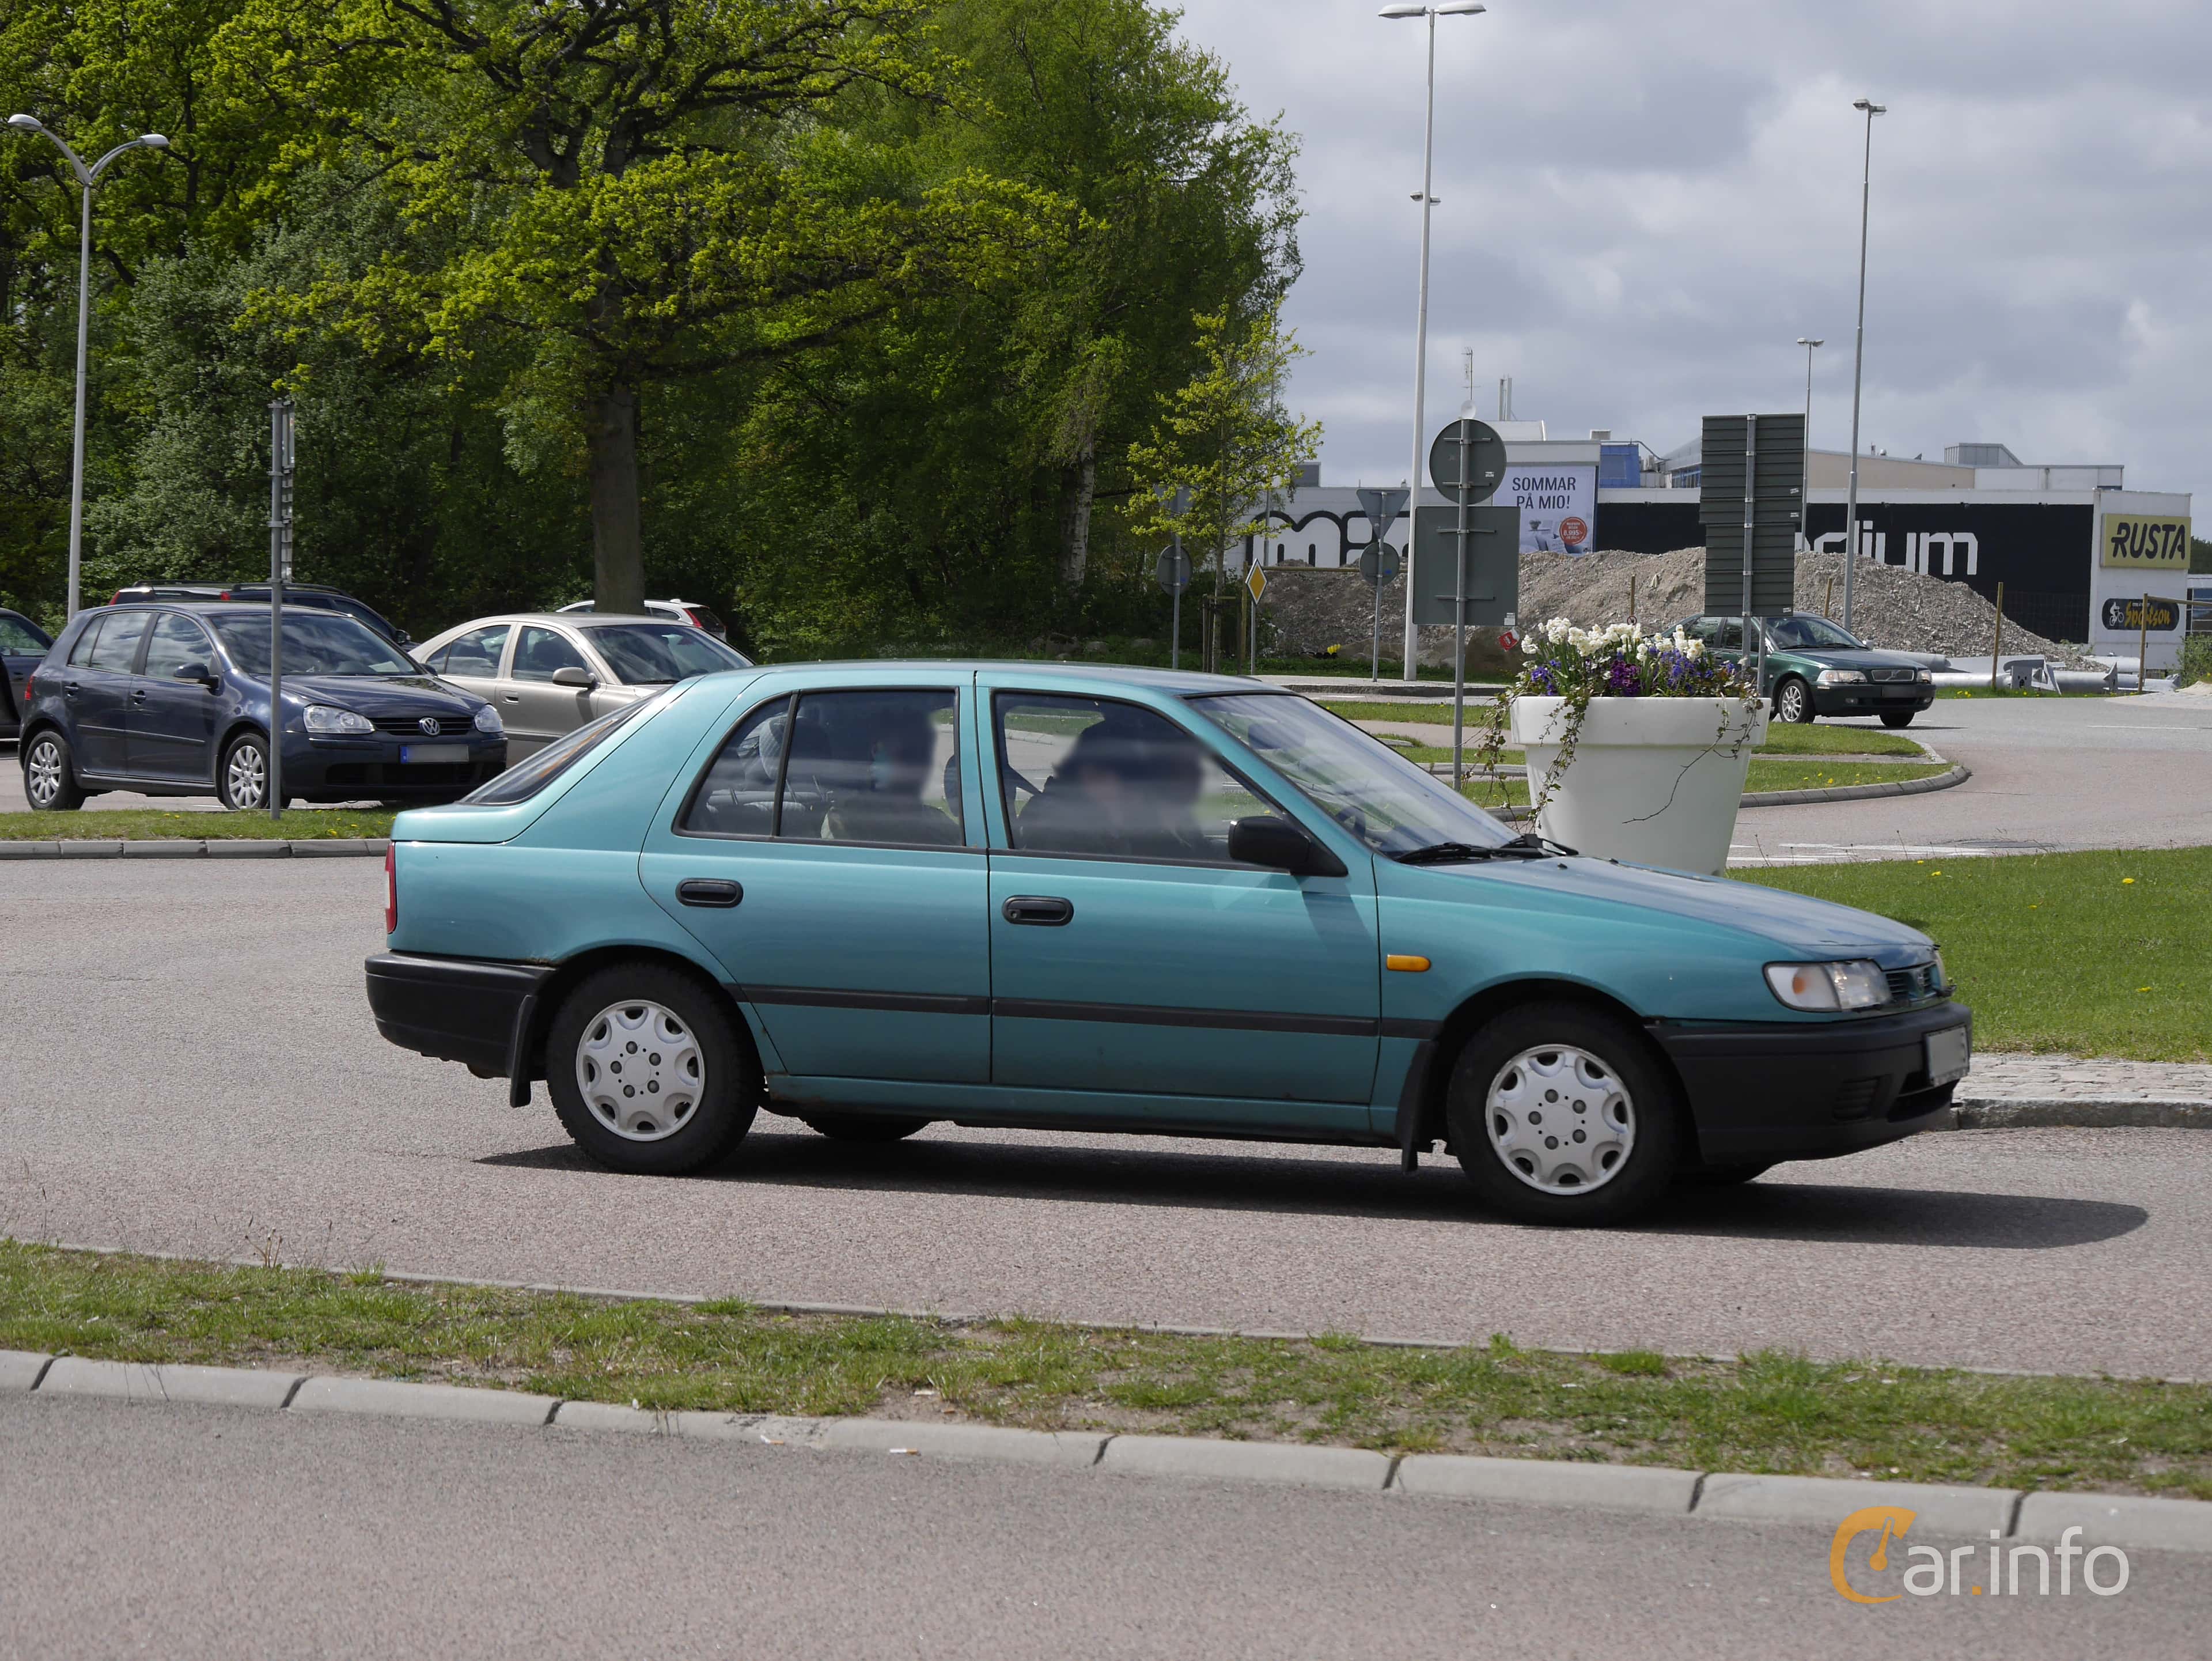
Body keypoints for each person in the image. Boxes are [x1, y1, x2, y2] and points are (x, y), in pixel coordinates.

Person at [821, 699, 962, 845]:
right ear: (876, 753)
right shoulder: (845, 821)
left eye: (922, 753)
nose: (916, 765)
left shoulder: (938, 821)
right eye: (905, 754)